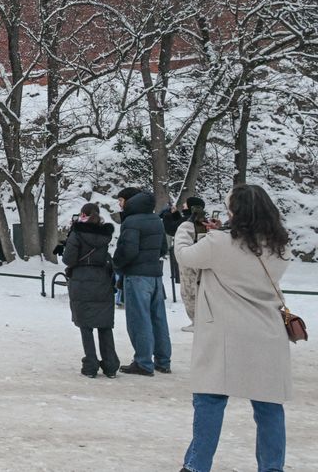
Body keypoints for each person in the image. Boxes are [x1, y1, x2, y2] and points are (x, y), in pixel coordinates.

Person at [176, 185, 293, 472]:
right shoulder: (280, 245)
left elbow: (186, 256)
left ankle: (196, 466)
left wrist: (184, 230)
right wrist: (223, 231)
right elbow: (244, 254)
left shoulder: (218, 243)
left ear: (236, 212)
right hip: (267, 333)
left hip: (225, 336)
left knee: (210, 401)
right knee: (269, 407)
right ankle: (272, 468)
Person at [112, 187, 171, 376]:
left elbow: (128, 250)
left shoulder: (131, 221)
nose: (120, 204)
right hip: (155, 275)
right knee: (158, 318)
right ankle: (163, 360)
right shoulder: (156, 219)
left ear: (130, 202)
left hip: (137, 276)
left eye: (121, 200)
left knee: (139, 319)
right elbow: (163, 248)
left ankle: (143, 362)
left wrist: (117, 265)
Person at [61, 203, 120, 378]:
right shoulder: (105, 233)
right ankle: (110, 365)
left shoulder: (77, 232)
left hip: (82, 280)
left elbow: (68, 259)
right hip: (102, 279)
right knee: (104, 325)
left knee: (86, 325)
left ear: (82, 215)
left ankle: (91, 364)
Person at [168, 198, 207, 333]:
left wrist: (169, 215)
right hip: (201, 263)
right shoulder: (203, 222)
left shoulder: (187, 224)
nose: (183, 205)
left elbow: (171, 228)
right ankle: (200, 320)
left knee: (189, 293)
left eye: (185, 204)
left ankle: (197, 321)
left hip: (189, 263)